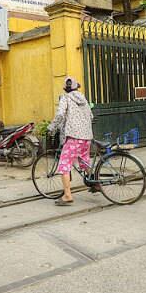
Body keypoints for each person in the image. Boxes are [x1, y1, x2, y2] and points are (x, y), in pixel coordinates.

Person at [47, 77, 95, 206]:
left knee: (64, 164)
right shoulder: (83, 98)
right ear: (77, 87)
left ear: (65, 88)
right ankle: (96, 183)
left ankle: (67, 195)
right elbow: (91, 116)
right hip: (87, 137)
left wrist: (51, 128)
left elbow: (60, 115)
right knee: (84, 162)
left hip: (74, 137)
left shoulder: (65, 98)